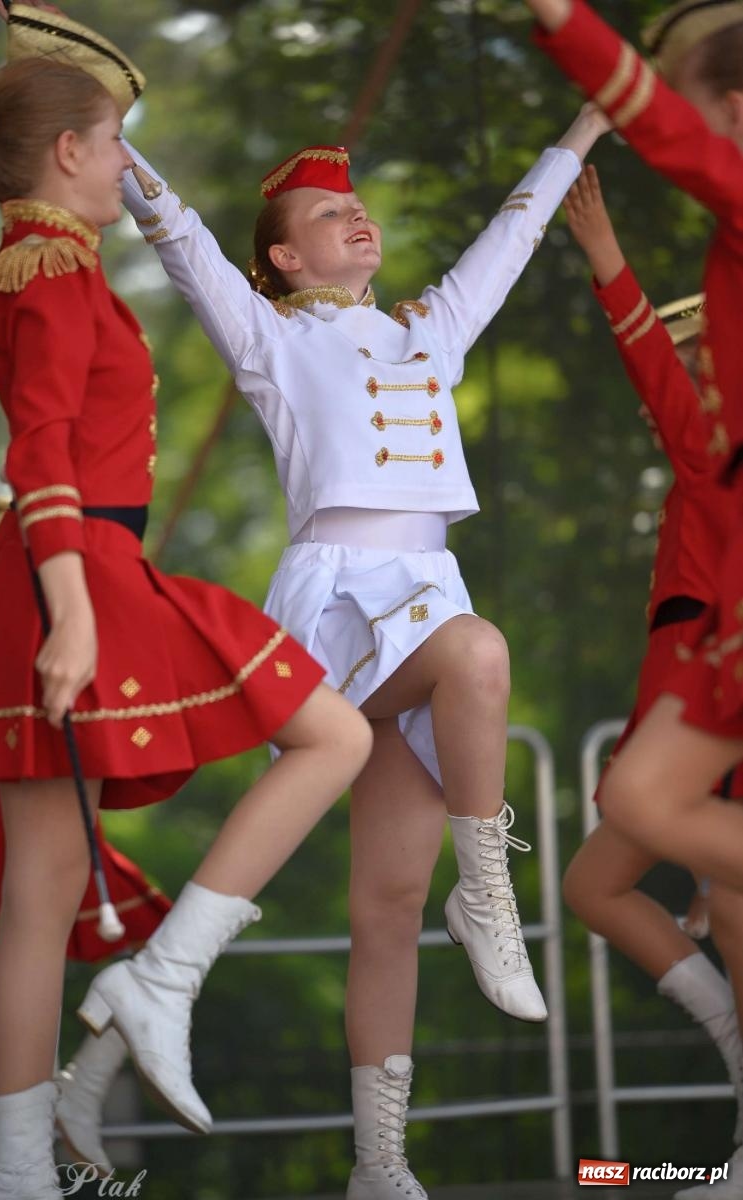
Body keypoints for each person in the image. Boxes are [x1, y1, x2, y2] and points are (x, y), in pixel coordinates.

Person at [68, 4, 614, 1184]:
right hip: (342, 605)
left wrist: (591, 115)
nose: (353, 217)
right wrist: (100, 124)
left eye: (355, 207)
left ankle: (376, 1164)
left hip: (427, 589)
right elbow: (175, 231)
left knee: (385, 903)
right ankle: (492, 890)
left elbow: (513, 236)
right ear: (283, 258)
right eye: (327, 215)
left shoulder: (432, 335)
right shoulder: (269, 339)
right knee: (478, 655)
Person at [0, 17, 372, 1200]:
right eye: (119, 141)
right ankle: (150, 992)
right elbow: (41, 448)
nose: (128, 161)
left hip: (58, 566)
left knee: (37, 899)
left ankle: (13, 1170)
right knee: (334, 734)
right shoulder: (56, 268)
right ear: (73, 151)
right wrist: (76, 611)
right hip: (72, 567)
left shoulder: (18, 266)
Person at [561, 163, 743, 1174]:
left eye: (695, 360)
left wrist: (606, 257)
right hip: (678, 681)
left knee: (730, 897)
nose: (676, 382)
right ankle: (734, 1050)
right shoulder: (696, 472)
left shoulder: (716, 451)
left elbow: (662, 384)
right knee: (597, 885)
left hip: (711, 680)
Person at [0, 510, 172, 1184]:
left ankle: (20, 1144)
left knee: (126, 946)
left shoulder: (33, 599)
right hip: (22, 809)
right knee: (20, 966)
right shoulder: (20, 609)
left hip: (53, 802)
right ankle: (2, 1160)